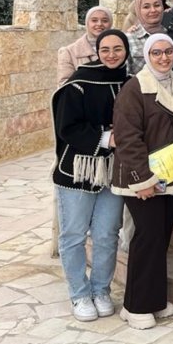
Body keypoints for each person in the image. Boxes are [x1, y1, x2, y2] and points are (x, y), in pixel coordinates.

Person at [111, 33, 173, 330]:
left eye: (168, 52)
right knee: (147, 238)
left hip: (170, 175)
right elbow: (127, 138)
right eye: (157, 53)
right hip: (141, 178)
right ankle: (136, 306)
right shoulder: (134, 89)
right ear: (147, 56)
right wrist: (143, 179)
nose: (163, 58)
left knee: (160, 238)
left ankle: (154, 300)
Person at [52, 29, 130, 322]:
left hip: (114, 172)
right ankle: (79, 294)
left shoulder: (130, 82)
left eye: (118, 48)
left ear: (126, 50)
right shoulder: (78, 84)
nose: (112, 54)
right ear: (97, 51)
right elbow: (67, 128)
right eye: (106, 49)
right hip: (77, 171)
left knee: (107, 234)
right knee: (73, 234)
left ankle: (101, 290)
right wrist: (107, 138)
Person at [57, 6, 113, 86]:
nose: (99, 24)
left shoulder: (119, 49)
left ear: (110, 23)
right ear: (87, 23)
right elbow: (65, 84)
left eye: (104, 21)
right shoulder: (69, 52)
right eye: (94, 20)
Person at [126, 0, 166, 74]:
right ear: (138, 10)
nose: (153, 10)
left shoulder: (170, 34)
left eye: (157, 5)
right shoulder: (129, 38)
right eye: (146, 7)